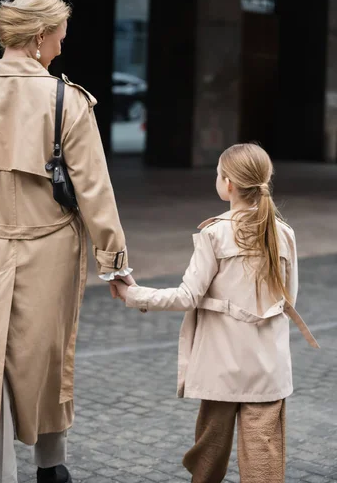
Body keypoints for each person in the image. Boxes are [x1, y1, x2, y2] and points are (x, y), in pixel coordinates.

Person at [0, 0, 135, 483]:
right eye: (60, 38)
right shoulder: (68, 99)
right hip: (51, 249)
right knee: (44, 357)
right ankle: (51, 467)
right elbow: (95, 190)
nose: (62, 48)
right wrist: (114, 263)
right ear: (40, 36)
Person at [113, 143, 319, 483]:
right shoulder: (285, 234)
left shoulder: (214, 234)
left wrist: (133, 293)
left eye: (218, 174)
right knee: (263, 455)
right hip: (268, 366)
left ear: (229, 184)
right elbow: (289, 298)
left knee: (209, 450)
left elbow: (186, 296)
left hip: (220, 365)